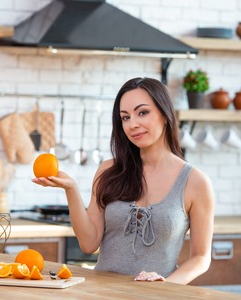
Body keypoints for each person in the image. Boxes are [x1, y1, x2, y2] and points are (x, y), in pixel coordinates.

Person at [32, 77, 215, 284]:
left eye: (142, 113)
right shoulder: (108, 171)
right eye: (125, 117)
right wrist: (71, 189)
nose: (133, 124)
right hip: (103, 294)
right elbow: (89, 243)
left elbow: (201, 258)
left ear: (165, 114)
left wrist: (167, 285)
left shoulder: (195, 182)